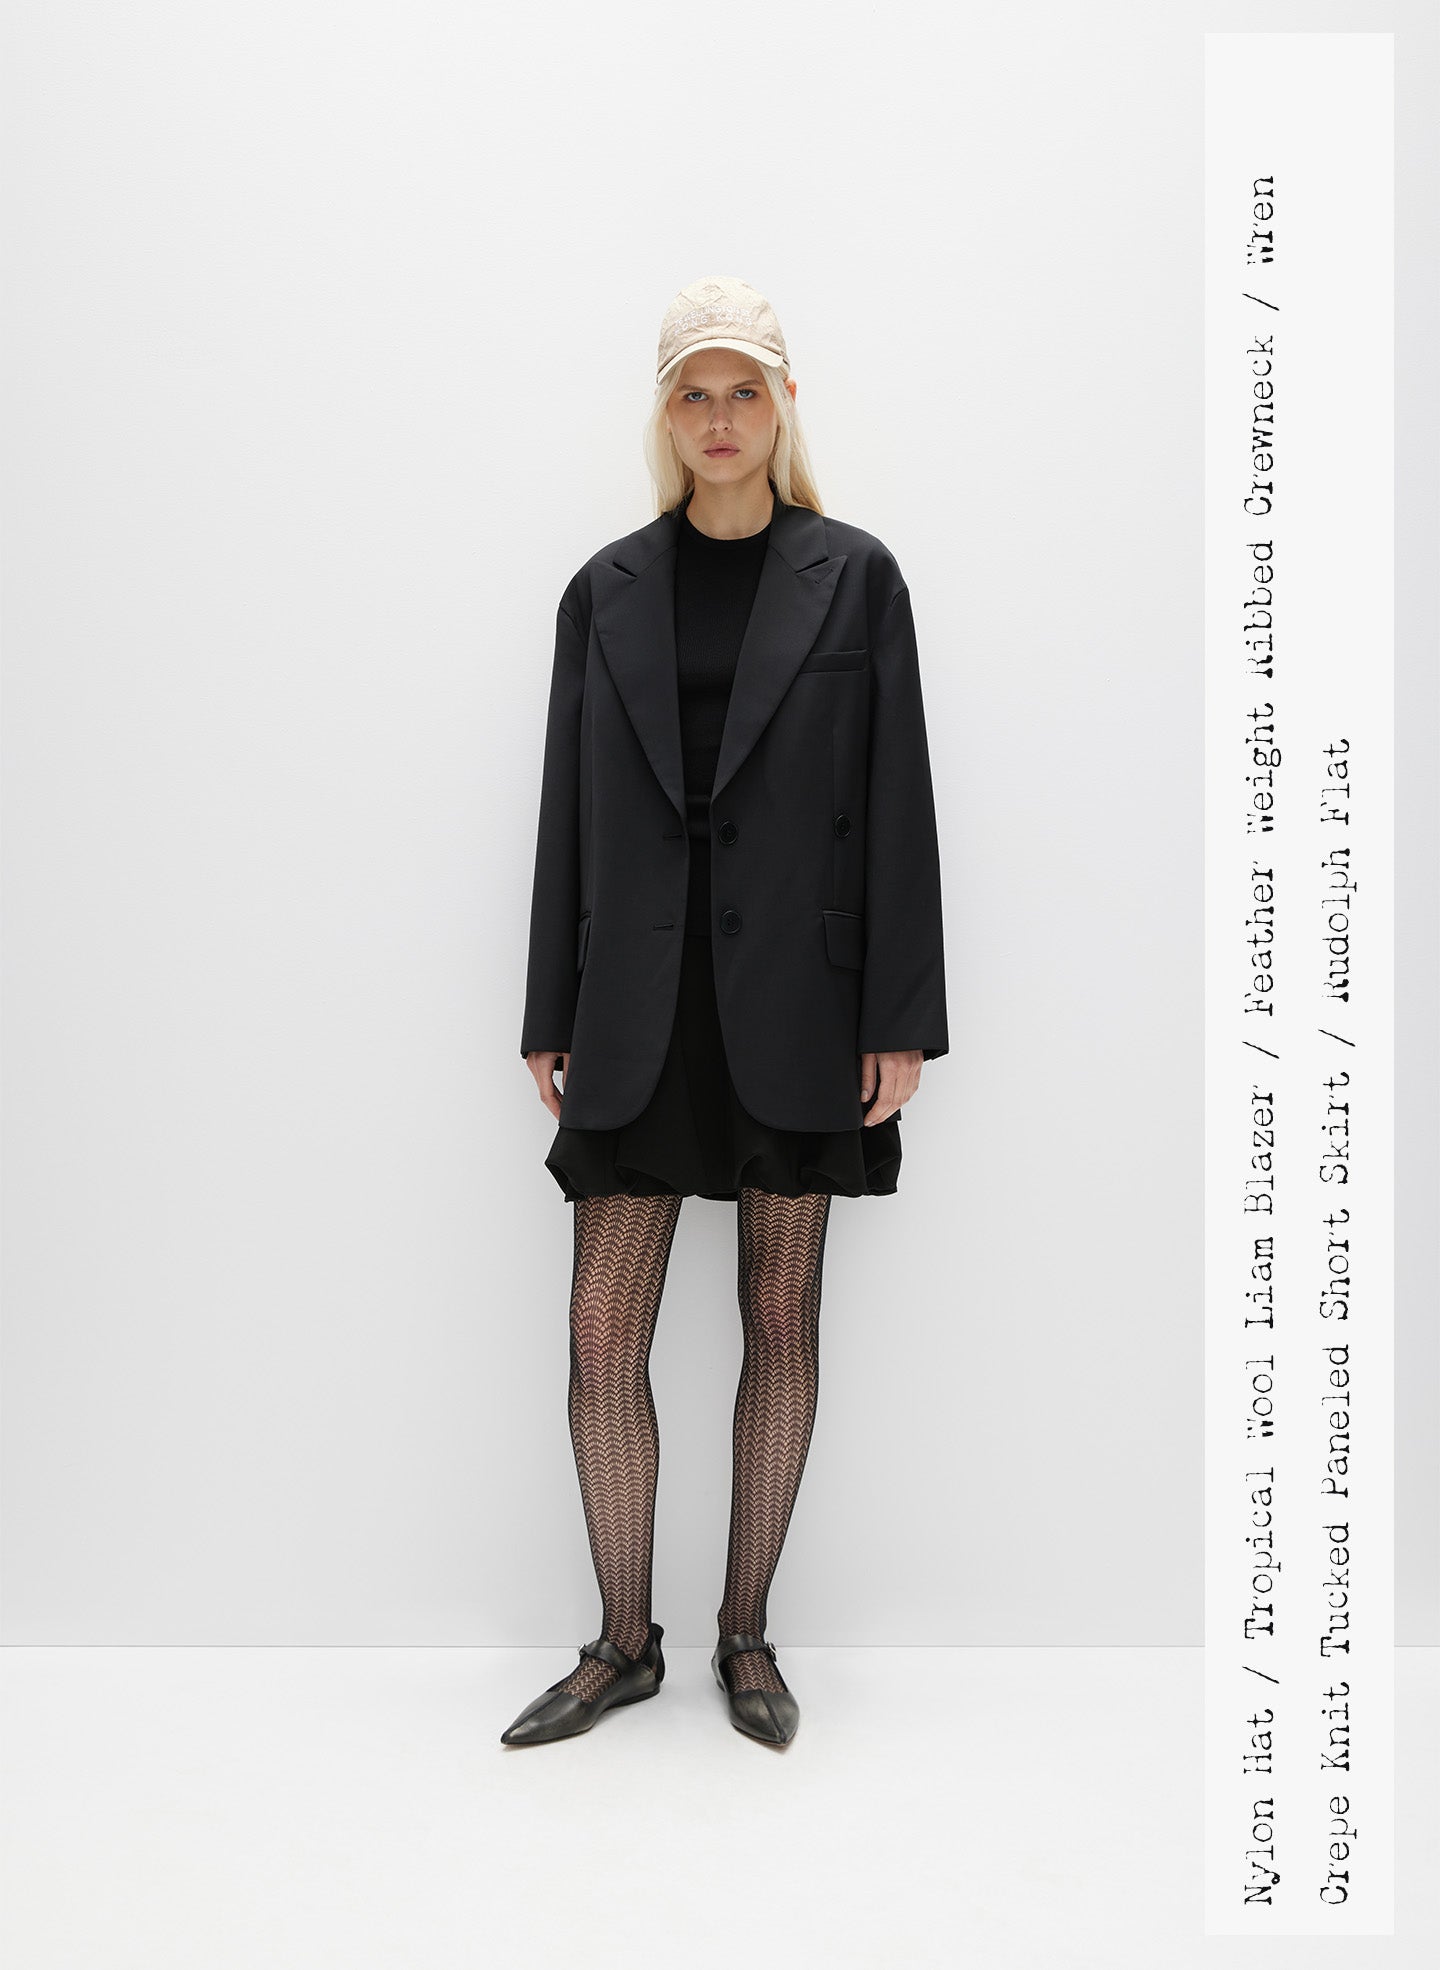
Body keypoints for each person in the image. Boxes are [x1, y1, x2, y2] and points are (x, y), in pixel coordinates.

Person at [503, 275, 947, 1749]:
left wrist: (900, 1015)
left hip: (799, 1004)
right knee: (601, 1334)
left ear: (783, 405)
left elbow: (898, 803)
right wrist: (549, 1005)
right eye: (692, 393)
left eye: (742, 390)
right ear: (665, 415)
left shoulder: (856, 577)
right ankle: (622, 1642)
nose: (718, 417)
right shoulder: (606, 589)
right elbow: (567, 805)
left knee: (780, 1320)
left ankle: (744, 1635)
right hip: (637, 998)